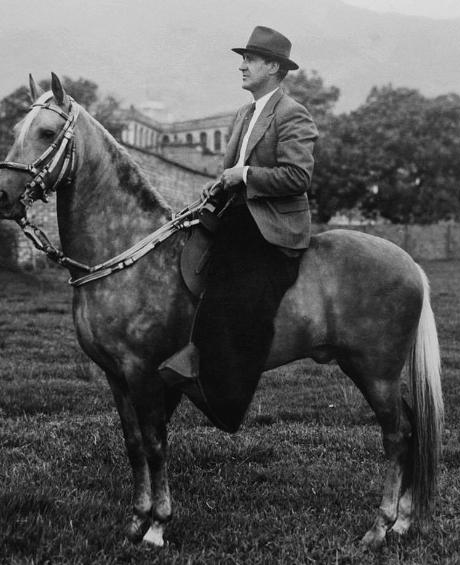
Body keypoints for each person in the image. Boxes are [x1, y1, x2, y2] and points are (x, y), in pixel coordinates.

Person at [160, 25, 318, 432]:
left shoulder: (291, 113)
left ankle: (222, 393)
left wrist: (244, 174)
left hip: (272, 227)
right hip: (235, 216)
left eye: (250, 59)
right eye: (243, 59)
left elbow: (297, 176)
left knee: (234, 278)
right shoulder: (244, 114)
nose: (242, 66)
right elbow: (229, 174)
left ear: (274, 67)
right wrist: (217, 186)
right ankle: (187, 356)